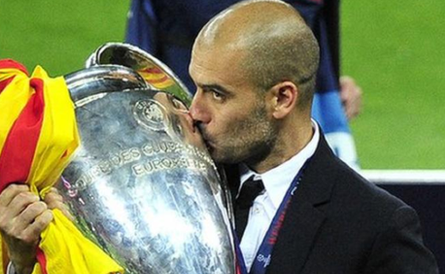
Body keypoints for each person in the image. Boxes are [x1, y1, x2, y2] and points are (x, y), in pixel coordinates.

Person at [0, 1, 442, 274]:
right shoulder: (163, 184)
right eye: (196, 86)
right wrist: (26, 264)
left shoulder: (377, 228)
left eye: (217, 94)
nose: (194, 110)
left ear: (282, 98)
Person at [126, 0, 362, 169]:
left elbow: (316, 29)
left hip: (294, 115)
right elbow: (138, 66)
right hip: (190, 131)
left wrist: (327, 83)